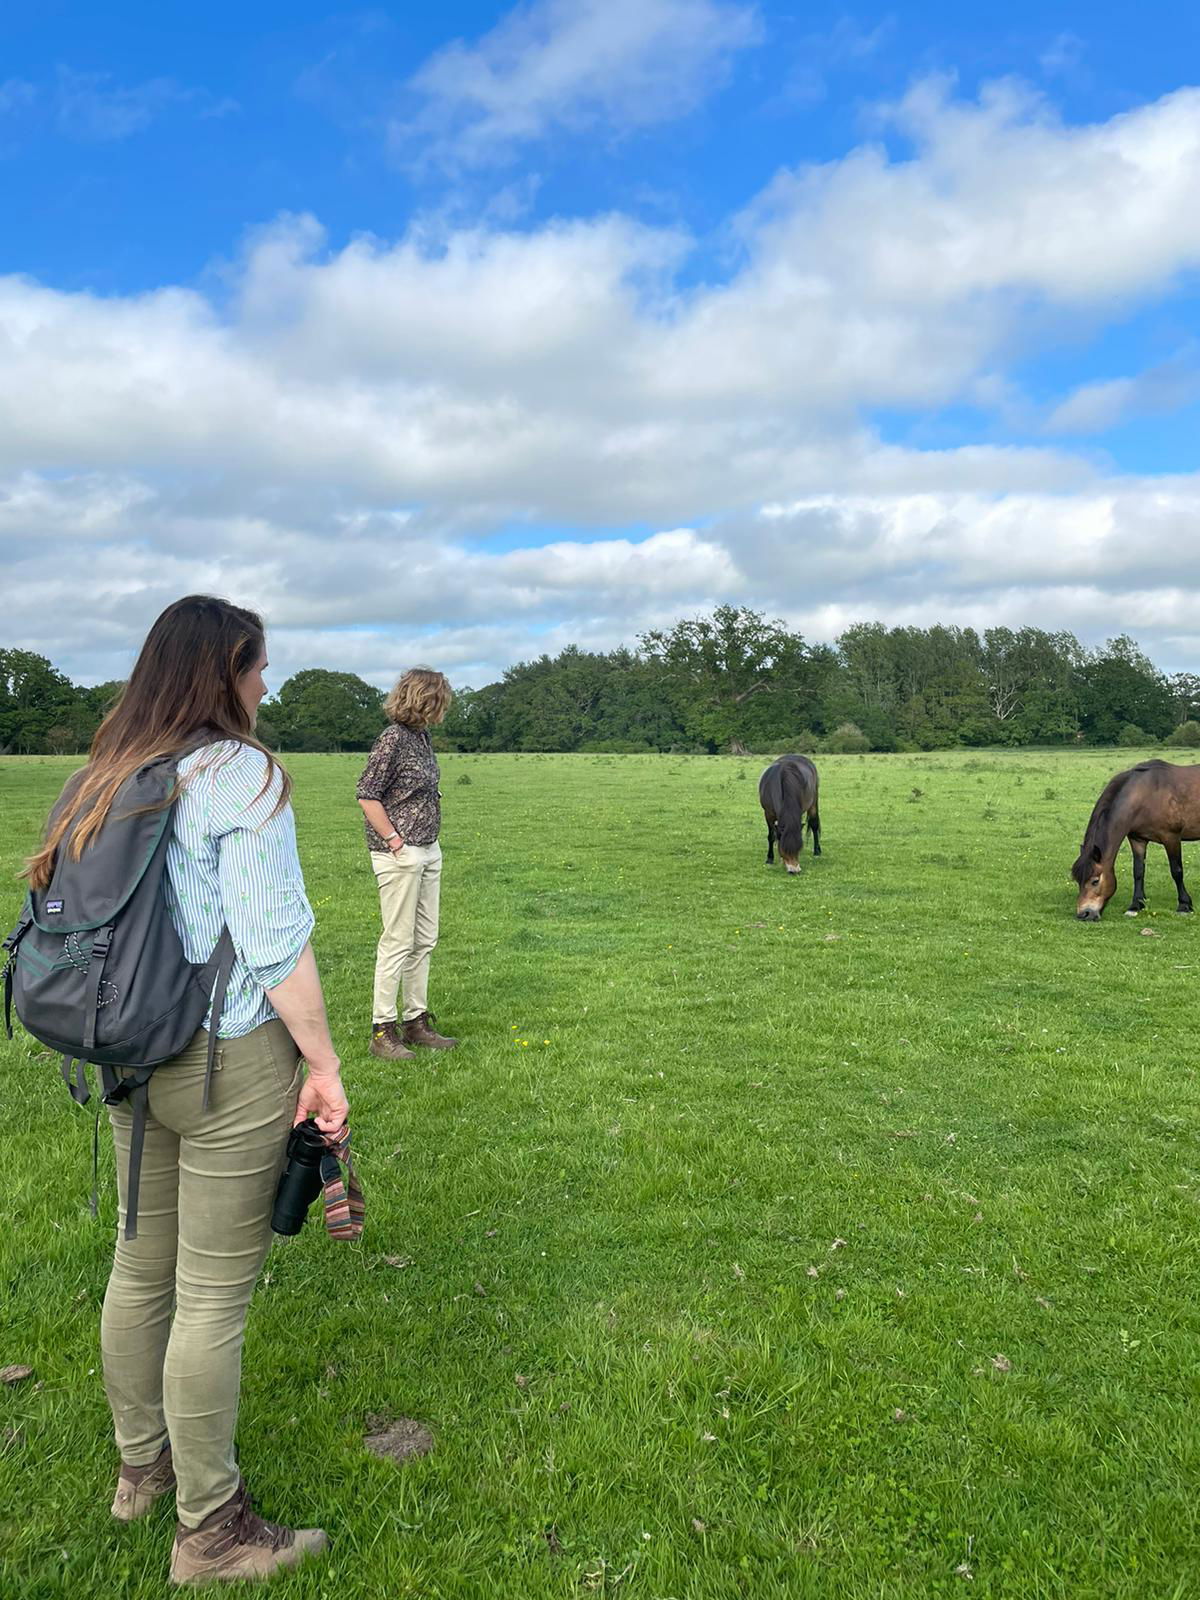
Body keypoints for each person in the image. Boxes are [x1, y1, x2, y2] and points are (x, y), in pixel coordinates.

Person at [23, 595, 347, 1586]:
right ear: (224, 673)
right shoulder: (238, 773)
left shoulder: (102, 772)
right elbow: (273, 938)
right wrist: (325, 1063)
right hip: (224, 1057)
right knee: (212, 1296)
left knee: (139, 1267)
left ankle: (141, 1471)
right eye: (257, 667)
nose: (266, 685)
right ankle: (212, 1531)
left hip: (123, 1052)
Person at [356, 667, 458, 1060]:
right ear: (424, 699)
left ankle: (416, 1022)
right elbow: (367, 794)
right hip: (400, 853)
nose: (443, 708)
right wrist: (395, 842)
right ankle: (383, 1030)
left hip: (429, 848)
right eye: (439, 701)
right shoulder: (393, 739)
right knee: (397, 940)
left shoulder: (422, 737)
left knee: (424, 938)